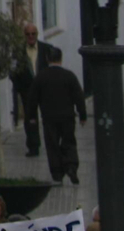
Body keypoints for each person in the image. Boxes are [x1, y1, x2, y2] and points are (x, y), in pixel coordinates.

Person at [32, 44, 84, 184]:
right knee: (69, 141)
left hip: (49, 117)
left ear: (47, 59)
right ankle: (71, 166)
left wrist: (32, 117)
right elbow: (79, 97)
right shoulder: (69, 76)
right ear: (61, 59)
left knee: (52, 144)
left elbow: (33, 99)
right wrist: (82, 115)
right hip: (67, 116)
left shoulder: (41, 77)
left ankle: (57, 173)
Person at [10, 22, 47, 159]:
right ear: (24, 35)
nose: (31, 36)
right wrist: (20, 87)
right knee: (30, 119)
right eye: (28, 34)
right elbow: (12, 71)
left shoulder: (46, 49)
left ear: (37, 34)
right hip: (27, 91)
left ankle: (52, 142)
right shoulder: (18, 52)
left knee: (48, 116)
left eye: (33, 34)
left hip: (44, 89)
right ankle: (33, 146)